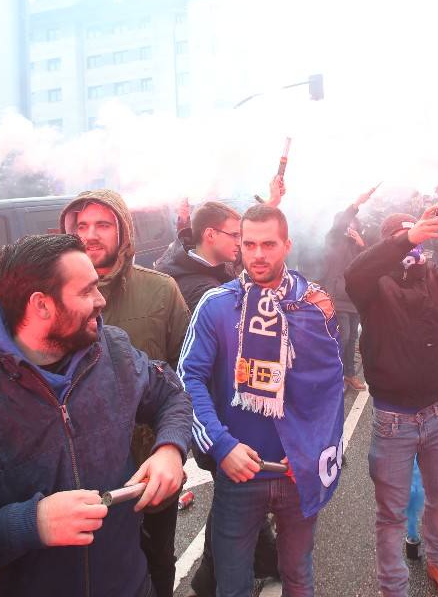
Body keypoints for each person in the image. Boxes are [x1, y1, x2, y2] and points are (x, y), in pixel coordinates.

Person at [0, 234, 192, 597]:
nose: (101, 300)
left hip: (128, 584)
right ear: (41, 305)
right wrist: (29, 524)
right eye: (86, 292)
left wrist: (170, 449)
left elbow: (170, 393)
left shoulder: (113, 350)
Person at [179, 205, 345, 597]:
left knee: (299, 578)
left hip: (296, 471)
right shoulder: (217, 305)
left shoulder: (315, 305)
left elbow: (330, 388)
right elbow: (189, 378)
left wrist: (317, 452)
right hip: (239, 472)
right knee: (231, 585)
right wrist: (221, 446)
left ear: (286, 245)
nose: (257, 254)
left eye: (268, 244)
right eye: (248, 243)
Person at [344, 204, 438, 597]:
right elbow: (354, 272)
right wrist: (407, 236)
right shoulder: (370, 288)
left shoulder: (433, 279)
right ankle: (394, 587)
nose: (416, 247)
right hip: (394, 420)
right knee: (390, 515)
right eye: (408, 237)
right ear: (393, 243)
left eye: (421, 237)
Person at [60, 190, 191, 597]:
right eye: (81, 226)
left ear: (123, 231)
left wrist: (171, 448)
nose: (90, 235)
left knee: (158, 560)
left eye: (102, 225)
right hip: (79, 472)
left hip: (149, 465)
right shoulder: (55, 293)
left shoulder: (161, 291)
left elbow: (182, 375)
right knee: (88, 571)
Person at [159, 200, 282, 596]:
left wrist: (269, 207)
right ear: (210, 235)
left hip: (219, 422)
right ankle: (215, 580)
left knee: (236, 506)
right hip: (217, 420)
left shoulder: (194, 264)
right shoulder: (205, 292)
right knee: (235, 503)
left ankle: (230, 574)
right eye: (238, 238)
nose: (245, 249)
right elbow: (199, 371)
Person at [322, 185, 379, 391]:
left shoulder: (359, 245)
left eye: (354, 225)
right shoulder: (334, 240)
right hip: (336, 297)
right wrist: (356, 204)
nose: (350, 227)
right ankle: (334, 376)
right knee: (342, 336)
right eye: (348, 224)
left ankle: (349, 375)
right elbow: (340, 223)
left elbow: (370, 265)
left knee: (353, 337)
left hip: (355, 299)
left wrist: (362, 245)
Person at [158, 200, 241, 312]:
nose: (239, 242)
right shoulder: (205, 294)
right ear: (210, 235)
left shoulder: (182, 258)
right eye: (234, 235)